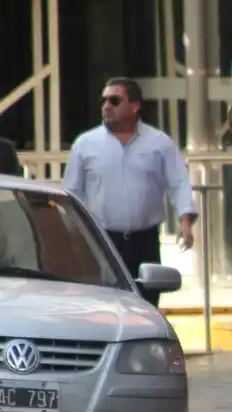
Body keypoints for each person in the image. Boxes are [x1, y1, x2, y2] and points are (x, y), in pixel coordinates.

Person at [63, 77, 197, 306]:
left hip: (145, 241)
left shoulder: (159, 143)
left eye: (114, 100)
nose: (107, 106)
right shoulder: (85, 144)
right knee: (107, 305)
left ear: (135, 106)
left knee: (146, 304)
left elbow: (179, 182)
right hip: (103, 241)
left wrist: (185, 221)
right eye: (104, 100)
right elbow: (71, 192)